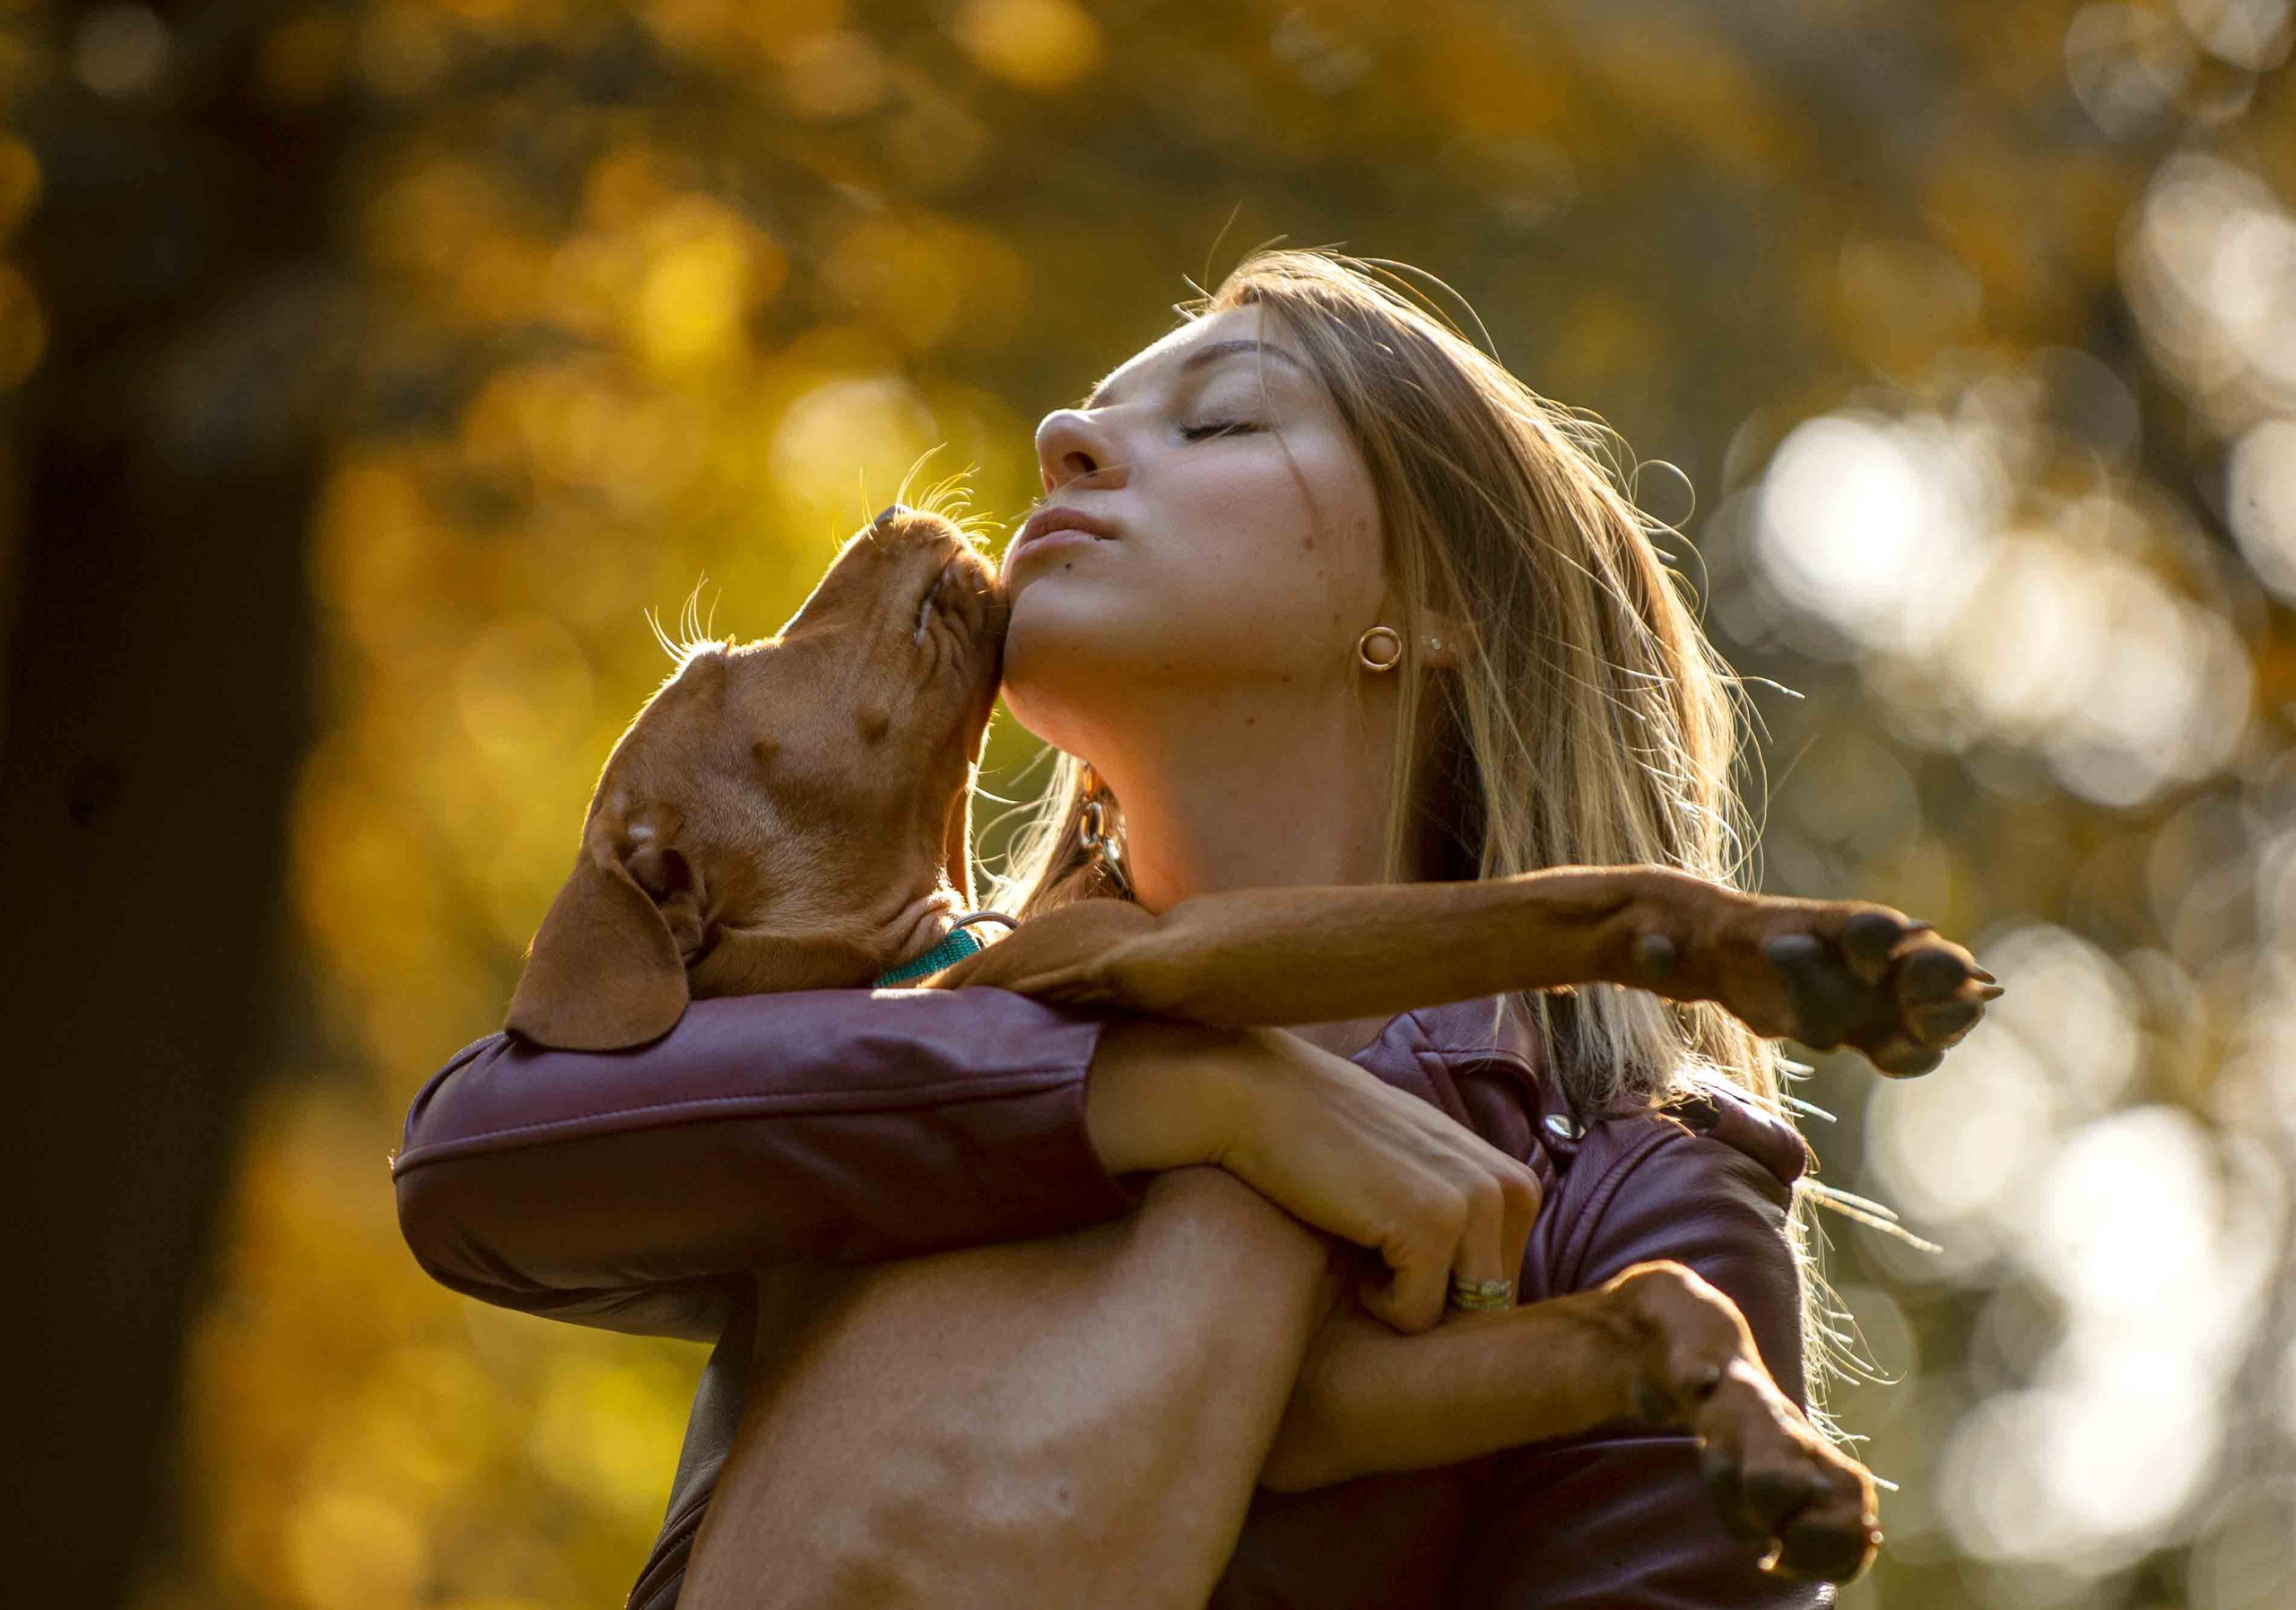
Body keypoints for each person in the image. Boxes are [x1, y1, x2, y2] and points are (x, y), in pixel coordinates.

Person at [396, 247, 1846, 1606]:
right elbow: (469, 1159)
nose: (1060, 440)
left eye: (1221, 425)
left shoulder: (1633, 1214)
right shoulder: (893, 1028)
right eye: (1086, 416)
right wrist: (1173, 1093)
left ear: (1433, 599)